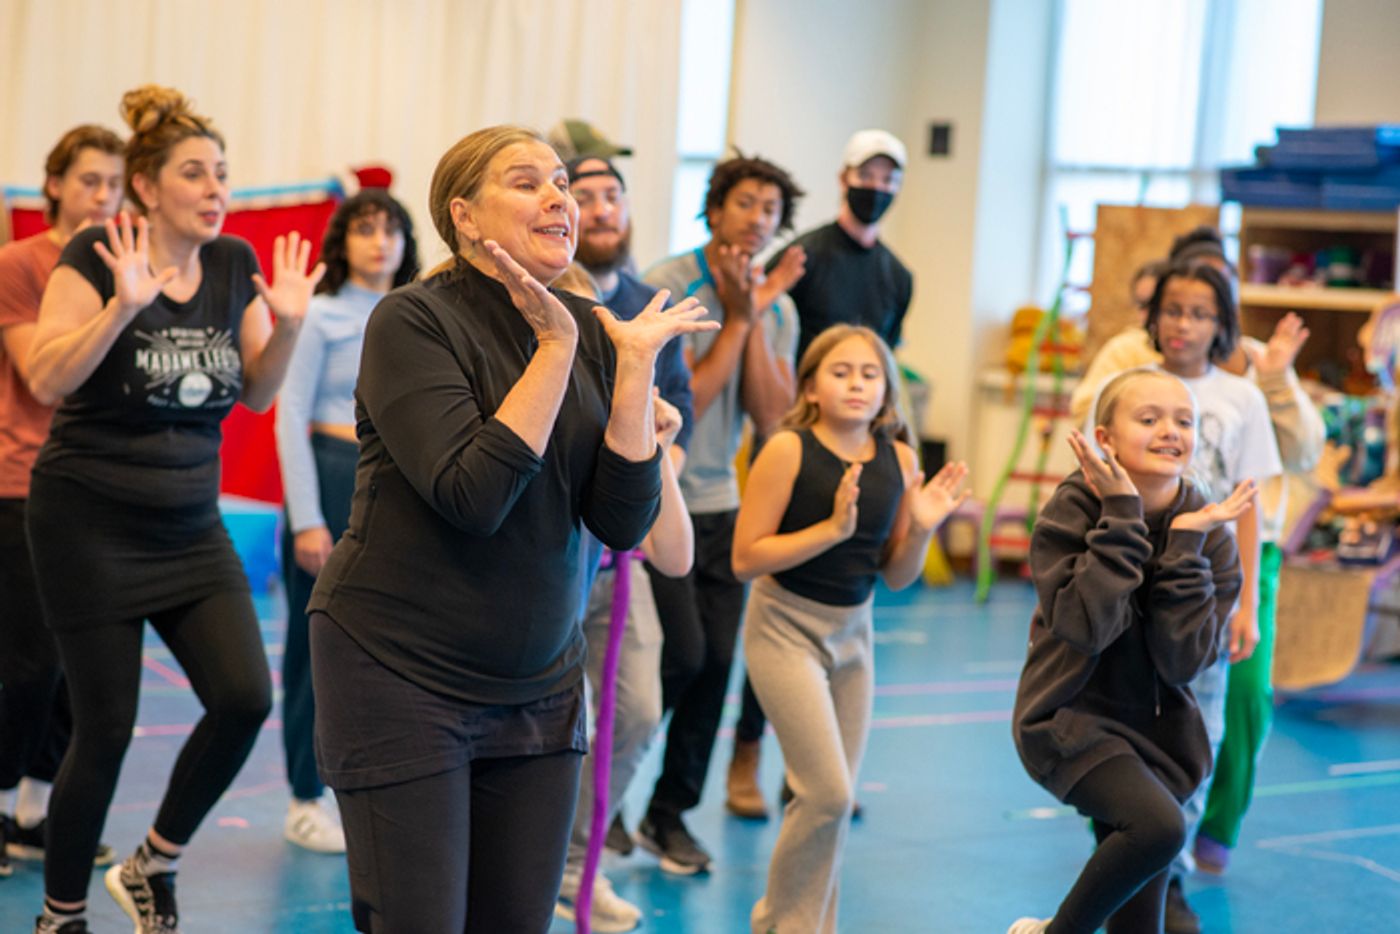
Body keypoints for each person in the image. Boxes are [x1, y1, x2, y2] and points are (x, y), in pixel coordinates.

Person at [305, 124, 715, 933]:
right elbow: (473, 493)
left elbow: (620, 522)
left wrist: (631, 379)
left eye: (560, 182)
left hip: (538, 685)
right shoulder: (412, 322)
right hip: (399, 674)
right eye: (527, 182)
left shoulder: (594, 328)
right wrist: (556, 348)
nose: (559, 197)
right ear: (465, 216)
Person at [23, 85, 325, 934]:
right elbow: (47, 379)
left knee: (243, 697)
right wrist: (122, 305)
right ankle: (62, 914)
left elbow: (260, 393)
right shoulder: (96, 252)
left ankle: (153, 862)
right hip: (89, 523)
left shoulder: (232, 266)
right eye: (195, 172)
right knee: (106, 727)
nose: (215, 187)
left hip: (190, 525)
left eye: (223, 172)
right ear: (148, 187)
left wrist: (292, 325)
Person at [731, 324, 969, 934]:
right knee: (828, 794)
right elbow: (745, 557)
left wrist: (920, 528)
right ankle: (781, 925)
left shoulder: (901, 458)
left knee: (827, 801)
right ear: (810, 385)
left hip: (853, 636)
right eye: (841, 372)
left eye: (869, 373)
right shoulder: (787, 448)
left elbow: (896, 577)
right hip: (783, 627)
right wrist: (828, 532)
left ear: (887, 389)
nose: (857, 384)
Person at [1009, 367, 1253, 934]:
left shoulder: (1210, 533)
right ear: (1104, 440)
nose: (1171, 430)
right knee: (1160, 828)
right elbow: (1086, 628)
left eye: (1184, 420)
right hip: (1070, 718)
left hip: (1158, 736)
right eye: (1149, 419)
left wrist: (1185, 548)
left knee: (1140, 919)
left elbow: (1182, 663)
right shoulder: (1072, 512)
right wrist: (1122, 516)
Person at [730, 127, 913, 817]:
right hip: (797, 446)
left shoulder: (899, 274)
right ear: (844, 177)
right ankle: (746, 755)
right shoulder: (802, 254)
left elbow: (885, 367)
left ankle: (813, 769)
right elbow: (768, 336)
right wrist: (785, 428)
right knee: (786, 592)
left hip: (862, 454)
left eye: (891, 179)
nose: (879, 188)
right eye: (869, 175)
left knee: (846, 584)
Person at [636, 152, 803, 875]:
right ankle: (601, 799)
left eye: (770, 208)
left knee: (716, 670)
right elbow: (681, 407)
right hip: (659, 502)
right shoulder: (670, 285)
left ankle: (667, 815)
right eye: (745, 203)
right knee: (679, 658)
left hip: (724, 510)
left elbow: (773, 418)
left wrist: (757, 314)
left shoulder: (782, 306)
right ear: (714, 208)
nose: (758, 218)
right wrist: (735, 318)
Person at [552, 155, 695, 931]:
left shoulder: (644, 343)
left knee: (637, 709)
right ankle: (552, 865)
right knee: (553, 726)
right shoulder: (545, 368)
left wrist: (655, 452)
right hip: (551, 577)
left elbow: (676, 554)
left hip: (620, 565)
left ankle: (578, 866)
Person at [272, 189, 419, 853]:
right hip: (331, 478)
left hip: (397, 484)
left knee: (388, 649)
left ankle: (370, 784)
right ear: (344, 242)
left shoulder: (417, 315)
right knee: (314, 650)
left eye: (391, 230)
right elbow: (288, 415)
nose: (379, 241)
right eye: (365, 229)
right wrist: (306, 518)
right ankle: (305, 797)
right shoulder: (323, 315)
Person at [0, 125, 124, 878]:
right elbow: (43, 374)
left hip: (103, 487)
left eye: (113, 184)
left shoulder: (126, 262)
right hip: (24, 479)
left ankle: (31, 814)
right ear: (54, 185)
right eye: (88, 182)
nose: (101, 197)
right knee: (27, 663)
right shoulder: (22, 263)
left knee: (86, 668)